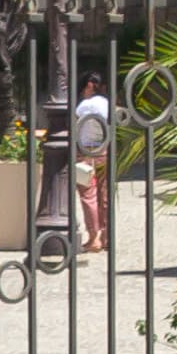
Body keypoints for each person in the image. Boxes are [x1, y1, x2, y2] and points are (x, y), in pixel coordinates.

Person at [71, 80, 112, 255]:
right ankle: (106, 237)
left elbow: (76, 124)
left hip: (85, 151)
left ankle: (94, 237)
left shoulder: (86, 105)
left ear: (88, 85)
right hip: (103, 150)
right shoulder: (108, 104)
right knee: (104, 193)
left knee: (88, 194)